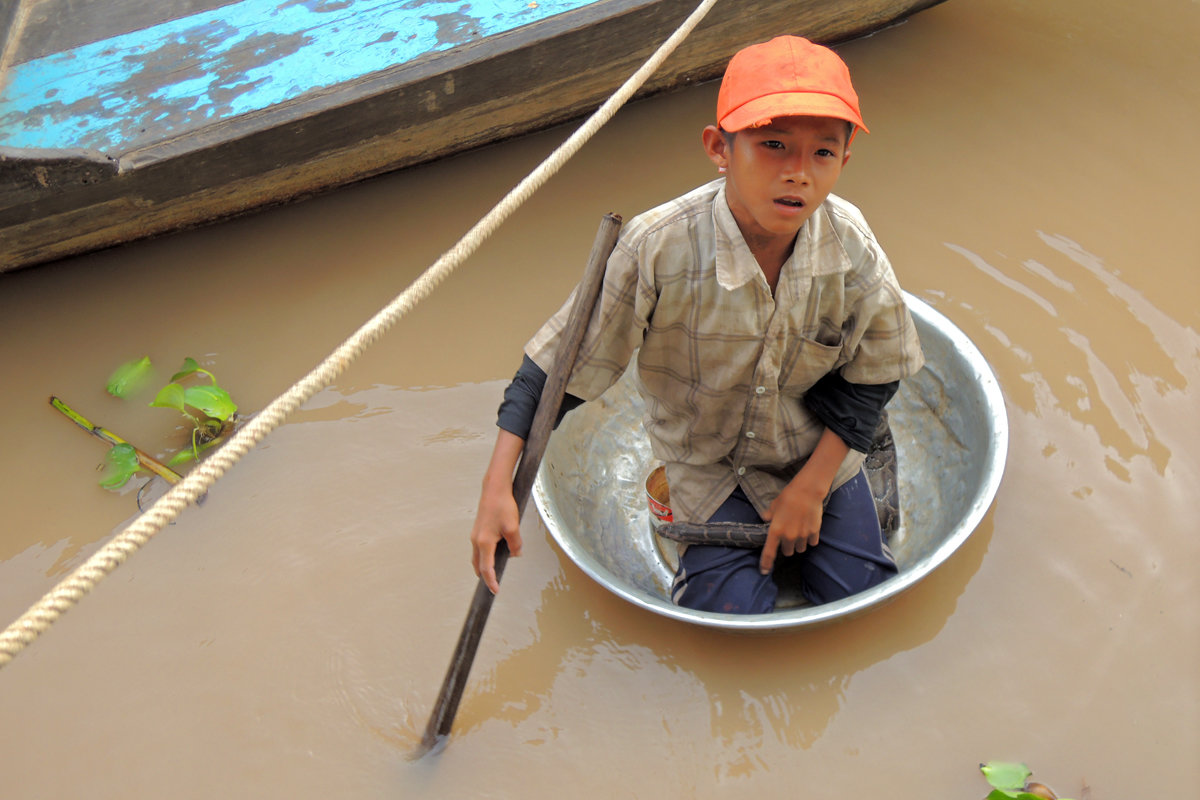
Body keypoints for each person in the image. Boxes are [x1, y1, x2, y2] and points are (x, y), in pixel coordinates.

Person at [469, 35, 924, 614]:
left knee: (860, 597)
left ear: (844, 161)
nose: (798, 175)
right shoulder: (657, 247)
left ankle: (847, 493)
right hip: (708, 465)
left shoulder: (851, 244)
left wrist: (811, 488)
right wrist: (497, 490)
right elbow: (552, 375)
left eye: (822, 154)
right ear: (721, 148)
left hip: (815, 453)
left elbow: (875, 375)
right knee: (728, 614)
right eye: (774, 145)